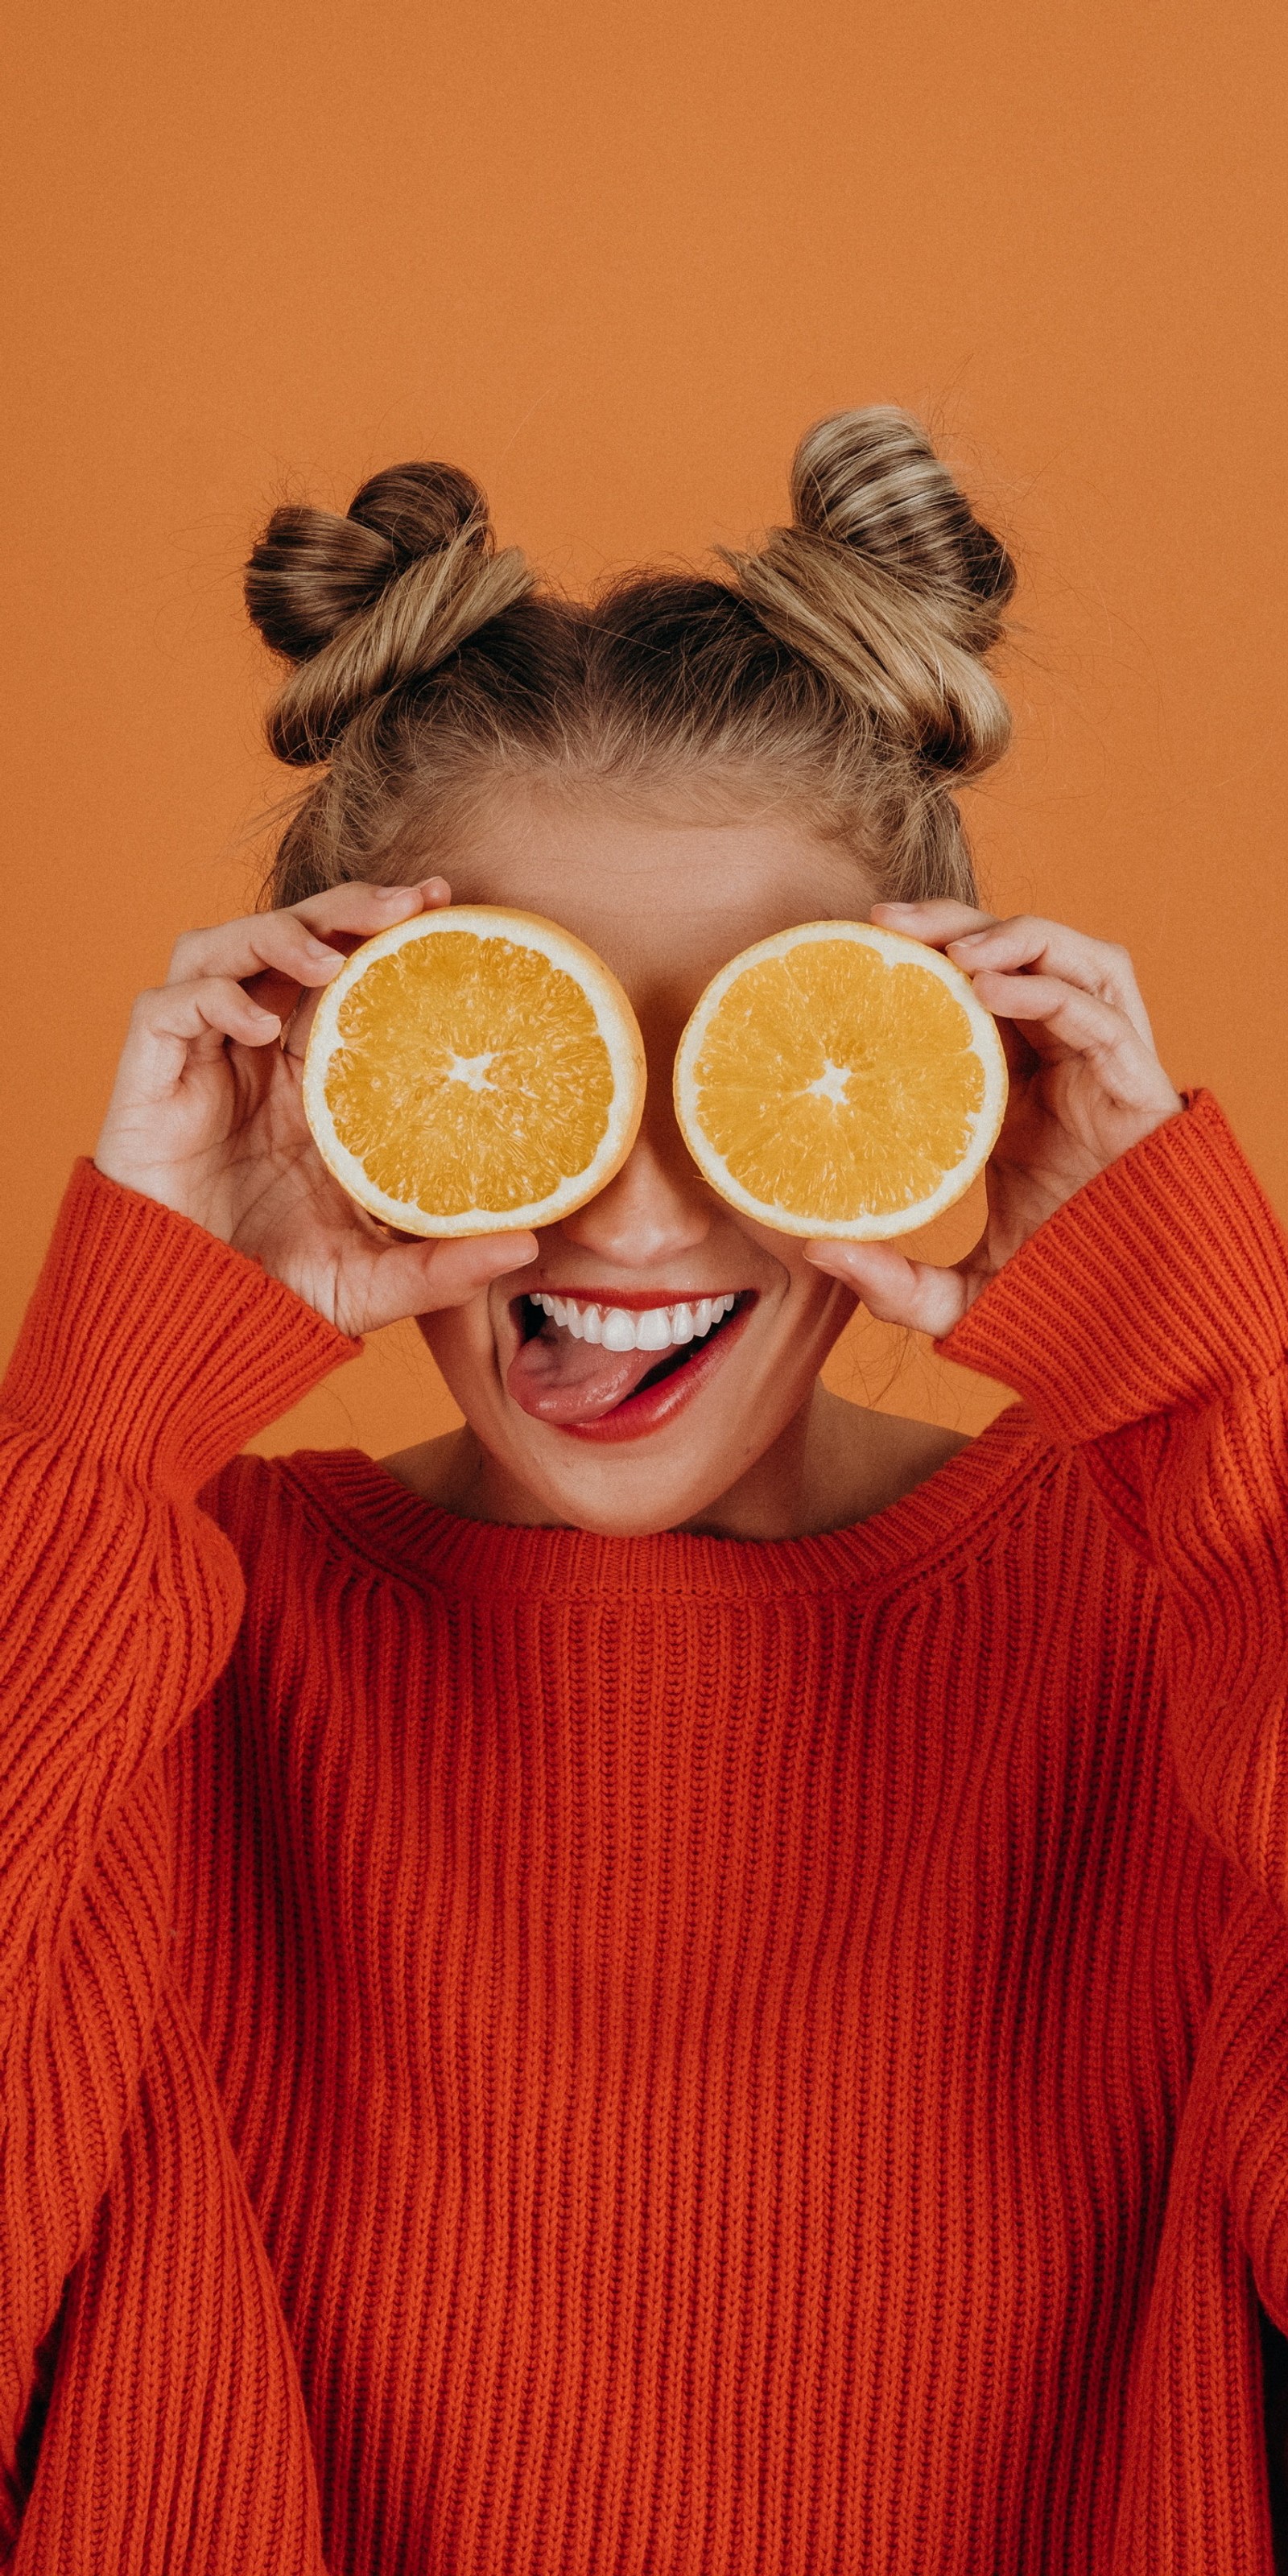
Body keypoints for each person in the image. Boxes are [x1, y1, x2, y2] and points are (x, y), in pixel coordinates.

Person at [3, 410, 1286, 2574]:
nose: (640, 1213)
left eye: (761, 1055)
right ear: (324, 1076)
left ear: (946, 1075)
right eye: (519, 1054)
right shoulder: (133, 1649)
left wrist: (1211, 1381)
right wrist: (105, 1414)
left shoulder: (1177, 1624)